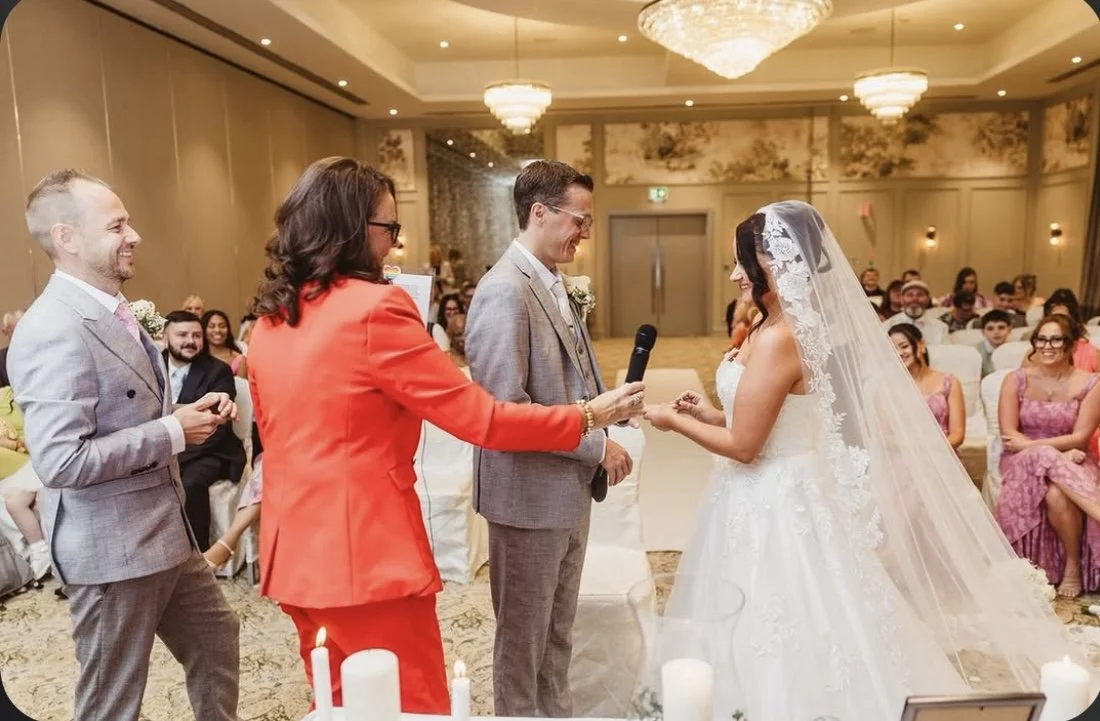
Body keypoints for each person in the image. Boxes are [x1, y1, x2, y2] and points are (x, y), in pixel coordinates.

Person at [642, 201, 1096, 721]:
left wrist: (673, 422)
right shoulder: (778, 328)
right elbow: (766, 420)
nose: (733, 274)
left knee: (787, 610)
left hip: (771, 496)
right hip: (764, 487)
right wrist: (708, 412)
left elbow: (747, 448)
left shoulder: (781, 339)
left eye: (741, 261)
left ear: (772, 262)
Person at [245, 156, 644, 715]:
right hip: (367, 550)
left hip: (293, 550)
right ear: (355, 229)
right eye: (390, 230)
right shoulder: (375, 309)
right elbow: (483, 418)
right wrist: (586, 417)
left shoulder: (269, 319)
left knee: (338, 704)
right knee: (413, 705)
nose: (393, 245)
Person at [9, 169, 239, 721]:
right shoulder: (52, 328)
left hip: (167, 533)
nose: (134, 235)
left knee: (216, 640)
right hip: (111, 551)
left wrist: (187, 415)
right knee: (113, 701)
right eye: (117, 225)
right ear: (66, 238)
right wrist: (172, 432)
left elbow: (132, 408)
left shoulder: (114, 309)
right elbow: (62, 460)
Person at [466, 159, 633, 718]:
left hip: (566, 492)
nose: (585, 232)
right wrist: (595, 442)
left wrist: (613, 412)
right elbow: (503, 412)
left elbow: (573, 377)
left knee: (557, 639)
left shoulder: (554, 282)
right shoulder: (504, 292)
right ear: (539, 213)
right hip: (527, 501)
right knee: (522, 646)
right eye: (578, 220)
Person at [996, 314, 1100, 598]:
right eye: (1041, 339)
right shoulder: (1014, 381)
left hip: (1077, 459)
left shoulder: (1092, 383)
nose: (1047, 345)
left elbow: (1080, 437)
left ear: (1070, 345)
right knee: (1040, 453)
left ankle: (1072, 567)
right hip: (1022, 462)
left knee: (1055, 495)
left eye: (1055, 339)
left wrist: (1040, 448)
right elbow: (1009, 436)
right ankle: (1096, 509)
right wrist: (1055, 451)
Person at [163, 310, 246, 551]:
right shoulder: (150, 366)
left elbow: (216, 426)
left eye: (196, 335)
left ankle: (196, 555)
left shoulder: (217, 371)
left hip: (212, 450)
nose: (191, 341)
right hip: (165, 447)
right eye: (182, 335)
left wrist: (173, 454)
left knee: (189, 481)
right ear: (165, 337)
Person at [889, 324, 965, 449]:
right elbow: (886, 437)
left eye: (904, 346)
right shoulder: (887, 388)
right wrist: (915, 453)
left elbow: (957, 434)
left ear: (921, 345)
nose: (900, 353)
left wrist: (932, 454)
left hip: (943, 453)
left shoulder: (949, 382)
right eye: (893, 349)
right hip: (904, 455)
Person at [201, 309, 248, 378]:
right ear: (203, 330)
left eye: (222, 326)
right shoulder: (197, 357)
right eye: (211, 326)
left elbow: (242, 387)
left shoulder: (239, 360)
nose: (217, 330)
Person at [978, 309, 1013, 376]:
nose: (996, 332)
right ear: (983, 332)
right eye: (990, 328)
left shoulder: (1015, 350)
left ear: (1009, 329)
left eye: (1001, 327)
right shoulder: (976, 352)